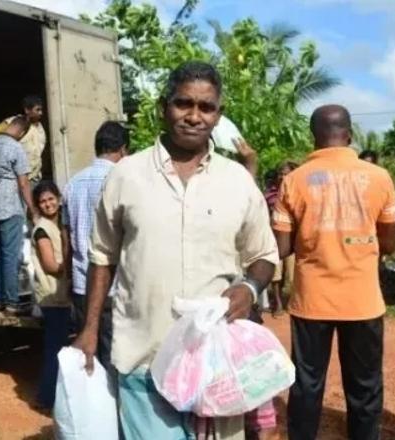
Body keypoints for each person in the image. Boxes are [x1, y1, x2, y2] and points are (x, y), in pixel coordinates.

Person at [74, 61, 278, 439]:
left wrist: (249, 289)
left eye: (207, 107)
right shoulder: (126, 175)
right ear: (163, 107)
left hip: (214, 363)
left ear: (218, 115)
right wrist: (88, 329)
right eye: (184, 104)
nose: (194, 116)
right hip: (142, 354)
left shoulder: (237, 181)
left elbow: (264, 255)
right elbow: (102, 256)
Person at [273, 105, 395, 440]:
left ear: (312, 136)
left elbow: (282, 248)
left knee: (306, 386)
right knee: (366, 388)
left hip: (311, 301)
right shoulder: (379, 177)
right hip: (363, 301)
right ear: (350, 135)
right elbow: (388, 243)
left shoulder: (293, 180)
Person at [62, 121, 129, 369]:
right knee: (114, 353)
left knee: (88, 356)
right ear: (123, 150)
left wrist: (68, 278)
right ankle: (115, 406)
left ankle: (92, 406)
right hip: (114, 286)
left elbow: (66, 237)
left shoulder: (72, 184)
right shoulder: (121, 180)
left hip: (82, 285)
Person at [0, 116, 40, 315]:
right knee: (10, 255)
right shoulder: (15, 148)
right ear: (22, 133)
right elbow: (23, 183)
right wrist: (33, 209)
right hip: (10, 207)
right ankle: (12, 302)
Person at [29, 181, 72, 411]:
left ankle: (51, 396)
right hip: (52, 297)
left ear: (58, 198)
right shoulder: (43, 230)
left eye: (50, 199)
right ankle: (46, 398)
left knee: (58, 346)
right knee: (55, 348)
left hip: (60, 295)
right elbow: (51, 266)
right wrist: (73, 264)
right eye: (42, 201)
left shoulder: (57, 225)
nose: (47, 204)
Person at [0, 95, 47, 183]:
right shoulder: (13, 123)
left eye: (41, 110)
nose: (41, 113)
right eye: (37, 110)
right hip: (16, 178)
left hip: (34, 178)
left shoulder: (40, 128)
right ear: (27, 110)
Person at [267, 162, 298, 317]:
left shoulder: (298, 194)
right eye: (280, 173)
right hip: (273, 241)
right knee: (276, 275)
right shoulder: (269, 195)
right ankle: (278, 304)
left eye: (286, 173)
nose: (283, 176)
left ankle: (291, 302)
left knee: (292, 276)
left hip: (292, 241)